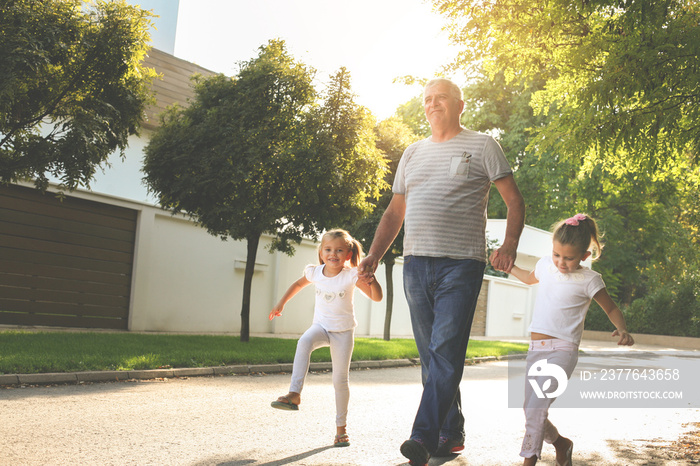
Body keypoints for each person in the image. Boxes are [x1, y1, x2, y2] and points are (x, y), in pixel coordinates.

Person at [358, 77, 525, 465]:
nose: (433, 104)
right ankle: (452, 432)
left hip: (461, 264)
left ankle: (423, 435)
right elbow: (394, 212)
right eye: (428, 100)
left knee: (446, 352)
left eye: (441, 98)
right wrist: (373, 254)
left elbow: (514, 200)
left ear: (459, 104)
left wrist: (510, 245)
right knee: (434, 358)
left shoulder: (483, 145)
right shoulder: (412, 152)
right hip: (416, 264)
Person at [501, 213, 634, 466]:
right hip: (536, 349)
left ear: (584, 256)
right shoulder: (544, 266)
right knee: (531, 409)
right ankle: (562, 444)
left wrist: (622, 328)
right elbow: (530, 278)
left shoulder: (590, 280)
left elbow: (611, 308)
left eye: (569, 258)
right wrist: (510, 267)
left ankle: (528, 462)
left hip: (563, 351)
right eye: (557, 255)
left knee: (537, 407)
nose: (561, 262)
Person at [268, 228, 383, 448]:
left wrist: (372, 280)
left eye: (339, 250)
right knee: (304, 341)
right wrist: (281, 303)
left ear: (348, 255)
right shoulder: (315, 272)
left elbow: (377, 297)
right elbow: (298, 284)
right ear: (321, 252)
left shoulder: (351, 275)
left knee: (340, 380)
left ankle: (341, 430)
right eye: (328, 249)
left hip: (343, 332)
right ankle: (294, 394)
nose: (333, 254)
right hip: (320, 327)